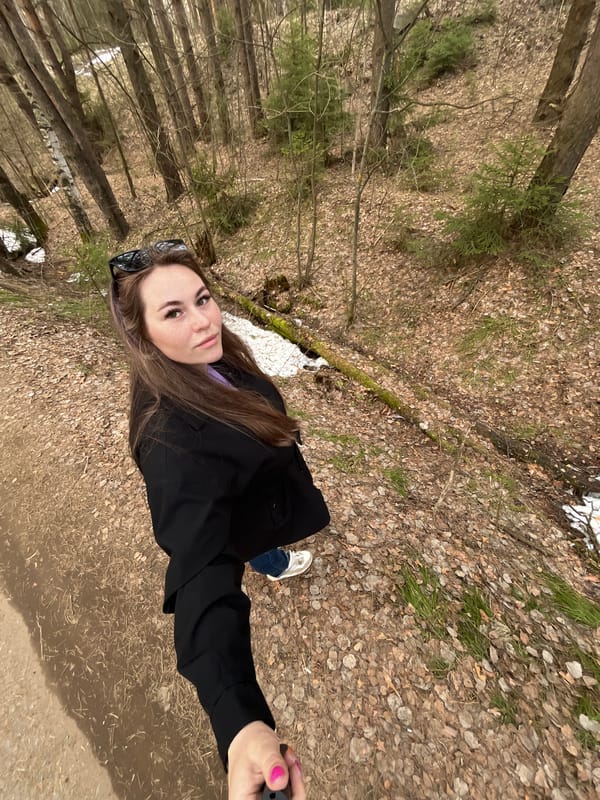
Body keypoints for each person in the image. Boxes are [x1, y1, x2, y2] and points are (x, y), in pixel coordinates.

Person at [108, 239, 330, 799]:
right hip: (244, 515)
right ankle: (270, 557)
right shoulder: (170, 443)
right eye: (174, 313)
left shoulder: (208, 355)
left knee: (253, 540)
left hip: (252, 497)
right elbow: (200, 571)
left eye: (203, 299)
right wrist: (240, 725)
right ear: (142, 334)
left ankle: (267, 554)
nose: (203, 322)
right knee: (242, 545)